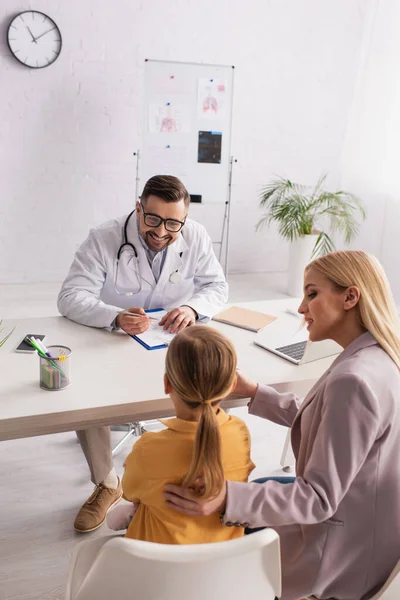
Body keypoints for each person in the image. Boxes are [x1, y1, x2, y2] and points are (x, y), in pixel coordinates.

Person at [164, 250, 400, 600]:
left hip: (342, 556)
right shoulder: (377, 356)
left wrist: (225, 496)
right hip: (370, 522)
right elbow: (328, 422)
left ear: (350, 297)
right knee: (261, 486)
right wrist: (255, 392)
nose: (301, 308)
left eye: (312, 293)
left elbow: (318, 499)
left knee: (227, 519)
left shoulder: (353, 380)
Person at [57, 175, 228, 533]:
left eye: (172, 223)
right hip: (113, 336)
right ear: (138, 208)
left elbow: (216, 286)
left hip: (169, 337)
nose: (162, 231)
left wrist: (193, 309)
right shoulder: (105, 237)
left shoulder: (193, 235)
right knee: (86, 392)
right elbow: (70, 296)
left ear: (184, 219)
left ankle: (199, 473)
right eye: (152, 219)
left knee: (212, 371)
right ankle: (107, 484)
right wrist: (114, 317)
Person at [107, 326, 255, 543]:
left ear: (167, 384)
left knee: (118, 517)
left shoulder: (148, 449)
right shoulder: (240, 433)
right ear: (233, 384)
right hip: (223, 563)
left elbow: (130, 492)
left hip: (157, 564)